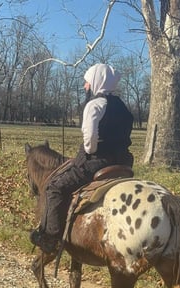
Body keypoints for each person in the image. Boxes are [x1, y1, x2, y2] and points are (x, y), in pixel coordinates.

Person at [30, 63, 134, 254]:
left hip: (97, 163)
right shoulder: (123, 108)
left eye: (87, 81)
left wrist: (89, 152)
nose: (86, 86)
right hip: (123, 162)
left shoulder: (94, 105)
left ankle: (50, 238)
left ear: (96, 81)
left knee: (54, 187)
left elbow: (90, 142)